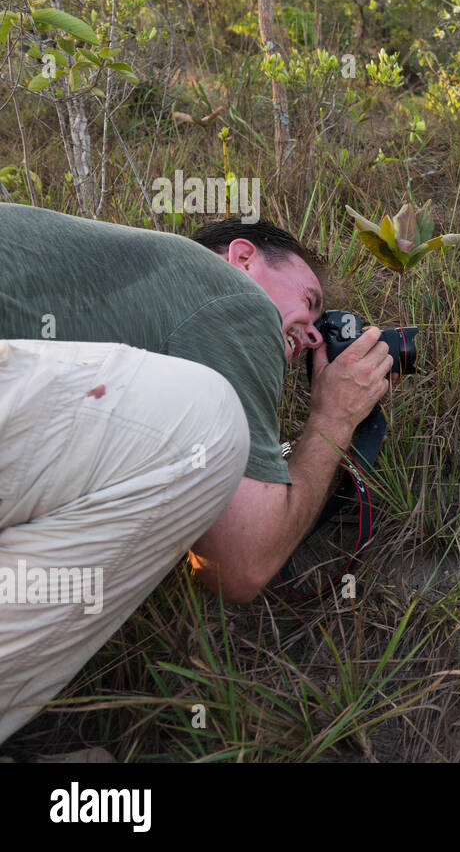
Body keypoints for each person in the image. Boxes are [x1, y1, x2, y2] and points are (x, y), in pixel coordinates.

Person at [0, 202, 395, 746]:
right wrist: (333, 417)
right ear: (242, 258)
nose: (312, 339)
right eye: (310, 304)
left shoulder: (133, 297)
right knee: (210, 419)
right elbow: (240, 562)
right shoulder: (229, 293)